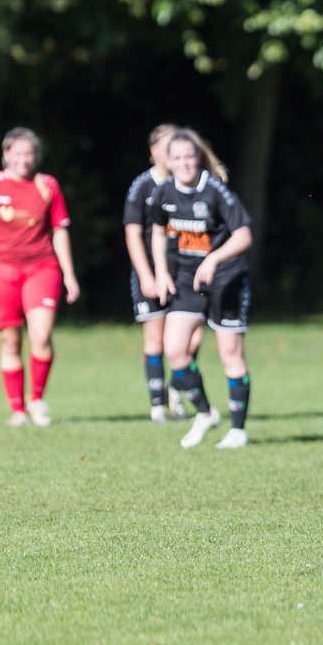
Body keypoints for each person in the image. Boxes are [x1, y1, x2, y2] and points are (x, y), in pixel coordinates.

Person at [0, 127, 80, 426]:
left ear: (36, 156)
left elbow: (59, 231)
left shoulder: (48, 186)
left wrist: (69, 274)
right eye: (17, 153)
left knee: (41, 334)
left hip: (41, 268)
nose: (23, 159)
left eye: (29, 153)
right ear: (6, 155)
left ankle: (37, 399)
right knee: (10, 341)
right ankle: (17, 410)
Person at [149, 127, 253, 449]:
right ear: (168, 160)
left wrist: (213, 259)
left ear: (199, 158)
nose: (184, 163)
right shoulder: (164, 193)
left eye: (189, 157)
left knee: (229, 354)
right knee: (175, 351)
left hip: (226, 279)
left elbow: (244, 235)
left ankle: (238, 430)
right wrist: (161, 272)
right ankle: (205, 413)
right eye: (177, 158)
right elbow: (156, 231)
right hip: (186, 281)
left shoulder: (216, 192)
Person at [124, 123, 203, 422]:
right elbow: (133, 233)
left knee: (191, 339)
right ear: (154, 151)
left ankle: (176, 391)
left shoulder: (191, 184)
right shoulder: (143, 186)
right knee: (155, 339)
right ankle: (158, 403)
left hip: (184, 273)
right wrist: (147, 275)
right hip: (152, 271)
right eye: (166, 147)